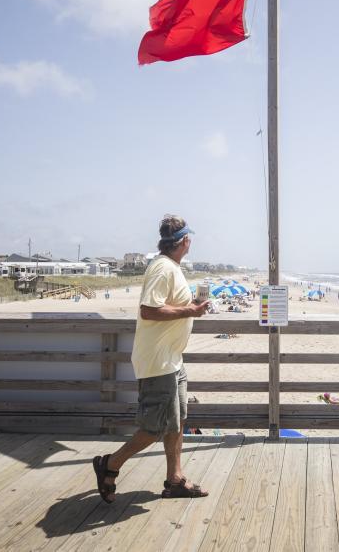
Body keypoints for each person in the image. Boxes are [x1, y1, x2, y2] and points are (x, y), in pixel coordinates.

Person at [92, 215, 211, 503]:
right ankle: (110, 464)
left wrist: (190, 306)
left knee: (178, 421)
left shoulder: (171, 267)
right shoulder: (161, 268)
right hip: (159, 361)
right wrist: (189, 312)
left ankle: (175, 480)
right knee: (154, 427)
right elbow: (149, 310)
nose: (190, 242)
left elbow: (163, 306)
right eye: (189, 238)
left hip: (173, 359)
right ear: (184, 241)